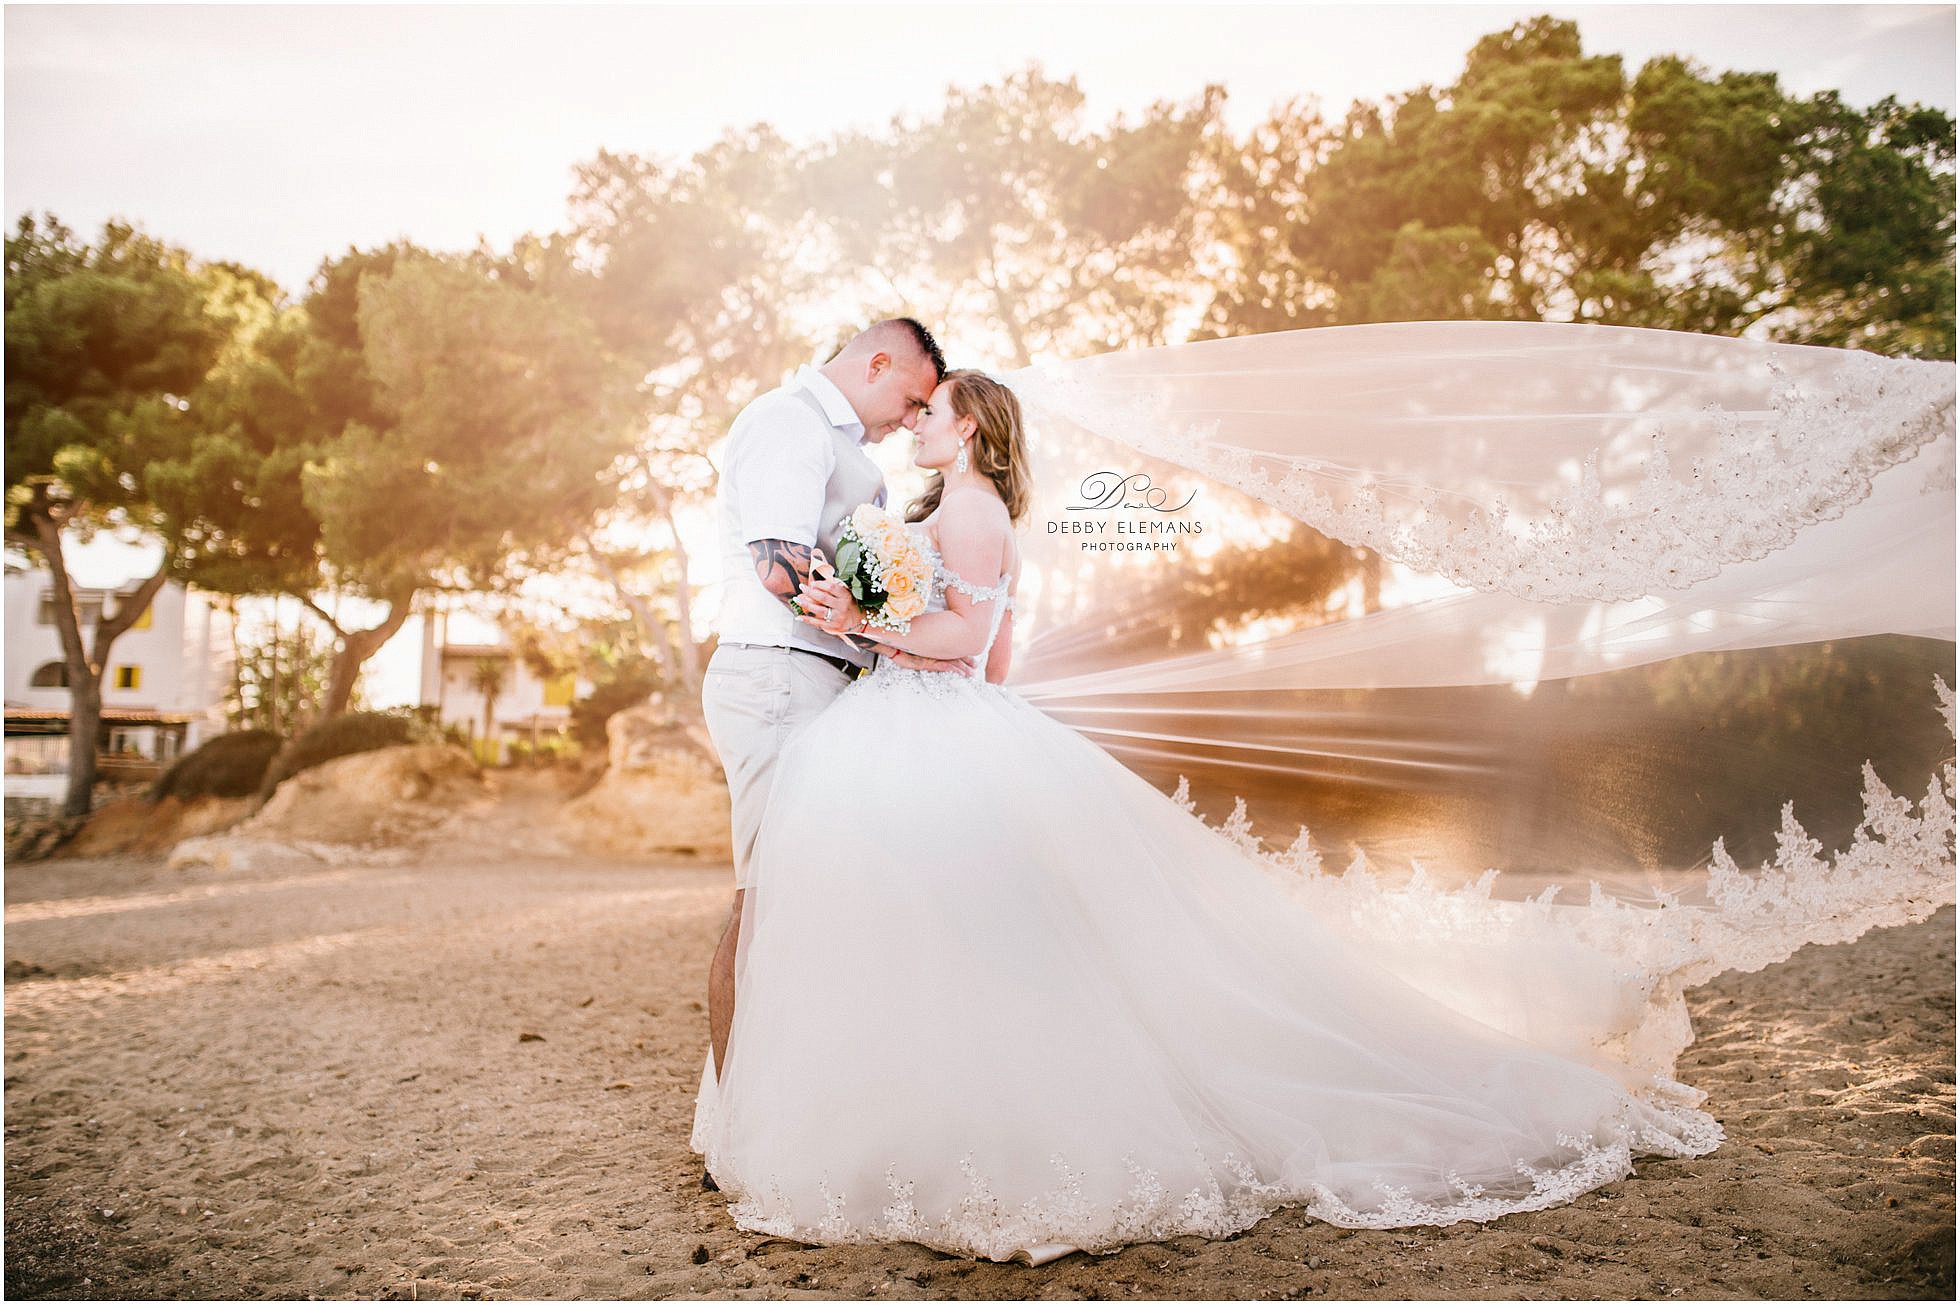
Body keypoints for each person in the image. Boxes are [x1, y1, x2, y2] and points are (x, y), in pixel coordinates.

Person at [687, 367, 1726, 1266]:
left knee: (933, 926)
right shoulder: (973, 510)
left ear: (969, 429)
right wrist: (883, 631)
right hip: (932, 714)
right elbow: (995, 656)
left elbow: (960, 639)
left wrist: (863, 619)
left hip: (921, 714)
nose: (914, 422)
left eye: (933, 411)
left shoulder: (966, 509)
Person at [699, 317, 971, 1140]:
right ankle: (744, 1122)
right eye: (912, 397)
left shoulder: (843, 448)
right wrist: (879, 621)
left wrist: (889, 631)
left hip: (825, 679)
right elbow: (777, 561)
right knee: (766, 899)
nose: (910, 418)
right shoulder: (790, 420)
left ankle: (799, 1108)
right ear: (877, 360)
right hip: (779, 674)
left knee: (813, 896)